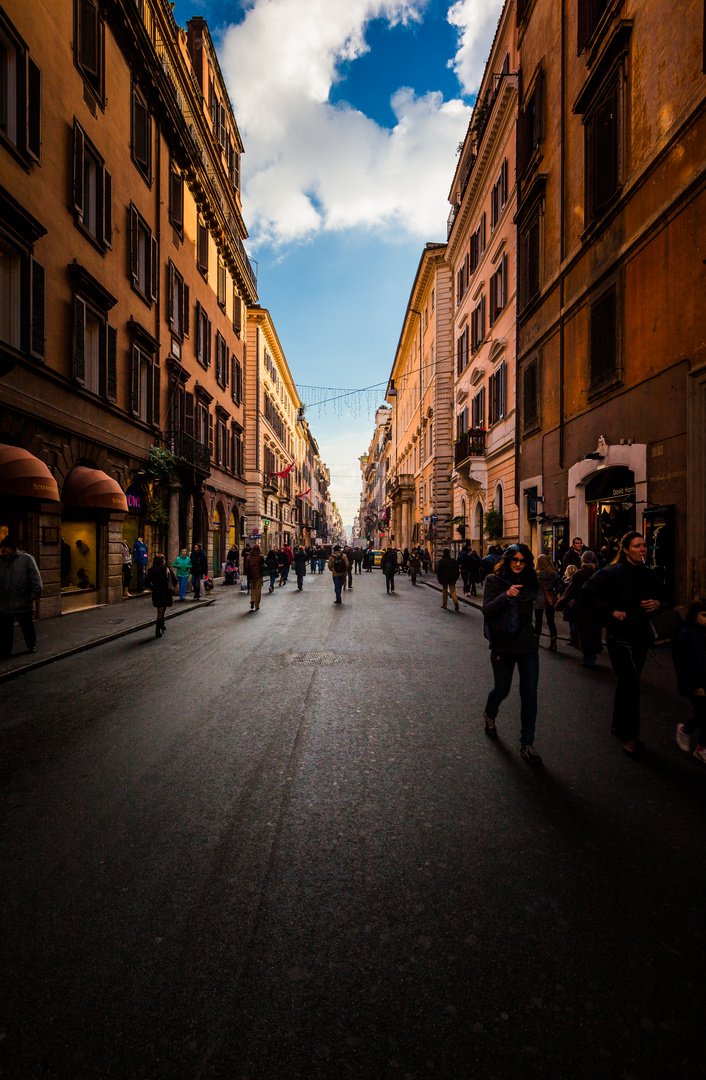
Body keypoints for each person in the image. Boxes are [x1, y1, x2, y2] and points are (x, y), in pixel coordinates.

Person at [581, 531, 661, 756]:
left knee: (628, 683)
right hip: (620, 638)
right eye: (637, 546)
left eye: (644, 545)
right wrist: (611, 611)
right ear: (625, 549)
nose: (642, 549)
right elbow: (587, 593)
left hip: (641, 636)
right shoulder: (611, 572)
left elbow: (661, 597)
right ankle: (631, 735)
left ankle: (619, 726)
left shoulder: (650, 574)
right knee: (631, 684)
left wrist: (657, 603)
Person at [482, 544, 542, 764]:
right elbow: (487, 609)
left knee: (530, 695)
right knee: (502, 688)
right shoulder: (494, 581)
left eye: (522, 560)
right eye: (514, 559)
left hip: (527, 646)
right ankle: (490, 712)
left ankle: (527, 744)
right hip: (502, 645)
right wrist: (506, 595)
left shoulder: (530, 581)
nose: (518, 564)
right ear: (507, 560)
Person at [673, 598, 706, 765]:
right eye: (704, 615)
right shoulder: (686, 634)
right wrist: (696, 684)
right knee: (703, 714)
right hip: (695, 683)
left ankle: (702, 748)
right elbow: (686, 662)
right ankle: (685, 730)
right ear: (694, 615)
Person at [556, 550, 602, 665]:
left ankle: (589, 657)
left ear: (582, 561)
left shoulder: (579, 575)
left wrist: (559, 605)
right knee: (595, 632)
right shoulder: (599, 574)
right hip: (597, 609)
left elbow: (569, 592)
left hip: (582, 609)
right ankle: (593, 654)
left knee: (584, 633)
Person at [0, 536, 42, 658]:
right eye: (2, 548)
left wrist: (34, 595)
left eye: (6, 547)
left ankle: (31, 645)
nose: (3, 550)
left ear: (12, 548)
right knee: (5, 630)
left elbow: (36, 579)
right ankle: (5, 651)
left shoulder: (26, 559)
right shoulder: (1, 561)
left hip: (23, 601)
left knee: (27, 626)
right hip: (5, 602)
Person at [533, 553, 561, 650]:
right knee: (551, 621)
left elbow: (533, 588)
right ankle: (553, 642)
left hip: (538, 599)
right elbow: (558, 589)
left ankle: (536, 640)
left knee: (538, 621)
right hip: (549, 599)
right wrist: (552, 593)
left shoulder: (536, 575)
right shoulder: (554, 574)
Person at [144, 554, 175, 638]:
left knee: (160, 608)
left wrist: (153, 588)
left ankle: (162, 625)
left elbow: (146, 582)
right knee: (161, 611)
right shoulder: (166, 569)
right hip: (165, 592)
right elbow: (174, 579)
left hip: (156, 592)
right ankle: (158, 629)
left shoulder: (151, 570)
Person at [246, 545, 265, 610]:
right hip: (259, 575)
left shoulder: (249, 557)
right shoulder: (260, 557)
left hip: (251, 575)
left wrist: (248, 574)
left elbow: (246, 567)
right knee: (258, 590)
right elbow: (263, 566)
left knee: (252, 588)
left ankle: (252, 599)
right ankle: (257, 605)